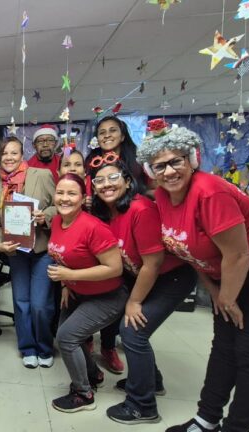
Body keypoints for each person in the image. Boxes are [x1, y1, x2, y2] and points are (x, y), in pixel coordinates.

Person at [136, 120, 249, 432]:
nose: (168, 171)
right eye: (159, 166)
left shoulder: (209, 192)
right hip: (229, 275)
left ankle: (237, 427)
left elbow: (238, 254)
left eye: (176, 161)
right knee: (224, 348)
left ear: (191, 159)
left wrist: (228, 297)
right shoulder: (162, 196)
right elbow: (191, 253)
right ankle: (205, 421)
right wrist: (216, 291)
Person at [86, 154, 197, 424]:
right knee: (137, 331)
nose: (106, 185)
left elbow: (154, 262)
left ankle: (143, 405)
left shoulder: (140, 209)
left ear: (127, 181)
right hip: (144, 276)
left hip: (170, 277)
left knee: (132, 332)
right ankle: (151, 381)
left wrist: (134, 302)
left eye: (113, 178)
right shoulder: (105, 214)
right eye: (99, 181)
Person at [47, 173, 127, 413]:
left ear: (83, 198)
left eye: (72, 193)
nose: (65, 198)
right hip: (76, 291)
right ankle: (94, 375)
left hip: (107, 296)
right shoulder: (57, 222)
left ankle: (84, 393)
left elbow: (115, 268)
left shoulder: (93, 227)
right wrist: (65, 285)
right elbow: (63, 258)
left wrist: (69, 277)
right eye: (60, 192)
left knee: (67, 338)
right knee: (67, 336)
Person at [84, 115, 148, 373]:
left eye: (113, 131)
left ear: (123, 135)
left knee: (120, 296)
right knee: (101, 287)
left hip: (128, 231)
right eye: (101, 132)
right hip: (99, 224)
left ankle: (108, 346)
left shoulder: (136, 164)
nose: (107, 135)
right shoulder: (91, 163)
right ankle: (87, 339)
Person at [0, 136, 57, 369]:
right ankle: (27, 347)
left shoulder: (41, 175)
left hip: (40, 249)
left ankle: (45, 347)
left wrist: (45, 215)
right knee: (21, 302)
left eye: (14, 153)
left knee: (40, 304)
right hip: (15, 251)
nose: (9, 157)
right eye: (5, 153)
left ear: (22, 155)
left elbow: (60, 206)